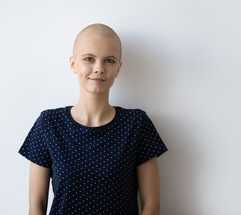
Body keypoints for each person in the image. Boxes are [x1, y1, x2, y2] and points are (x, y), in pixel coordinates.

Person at [18, 23, 168, 215]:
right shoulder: (49, 124)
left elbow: (151, 206)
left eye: (109, 60)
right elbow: (36, 206)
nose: (99, 68)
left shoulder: (136, 124)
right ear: (73, 64)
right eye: (89, 58)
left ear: (118, 68)